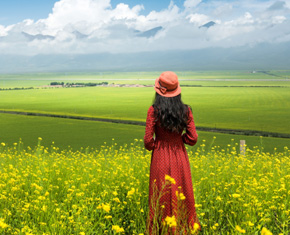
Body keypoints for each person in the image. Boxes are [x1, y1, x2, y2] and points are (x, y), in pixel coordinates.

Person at [144, 71, 200, 234]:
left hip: (160, 156)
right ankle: (183, 228)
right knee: (182, 191)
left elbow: (148, 141)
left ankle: (160, 230)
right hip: (179, 156)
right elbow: (193, 138)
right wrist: (180, 140)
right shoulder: (186, 110)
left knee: (161, 193)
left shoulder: (153, 110)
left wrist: (157, 144)